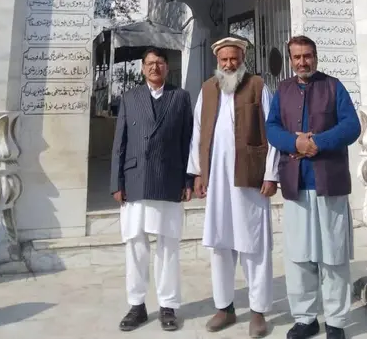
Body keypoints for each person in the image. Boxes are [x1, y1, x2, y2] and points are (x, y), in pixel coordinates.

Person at [266, 36, 361, 339]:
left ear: (316, 57)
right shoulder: (283, 90)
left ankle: (336, 321)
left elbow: (352, 126)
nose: (302, 62)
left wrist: (317, 143)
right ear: (290, 60)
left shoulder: (333, 87)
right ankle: (306, 319)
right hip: (296, 185)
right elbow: (271, 128)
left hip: (329, 184)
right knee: (299, 257)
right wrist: (294, 143)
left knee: (334, 256)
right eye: (297, 57)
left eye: (307, 56)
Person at [188, 37, 279, 338]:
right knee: (221, 243)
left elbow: (272, 130)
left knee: (254, 244)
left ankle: (258, 311)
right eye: (224, 60)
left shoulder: (257, 86)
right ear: (218, 61)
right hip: (216, 180)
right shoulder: (207, 89)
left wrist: (271, 174)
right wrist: (197, 173)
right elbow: (197, 132)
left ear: (242, 59)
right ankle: (224, 307)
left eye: (234, 59)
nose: (229, 64)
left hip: (250, 178)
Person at [111, 47, 194, 332]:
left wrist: (188, 181)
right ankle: (137, 305)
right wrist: (116, 183)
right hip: (135, 179)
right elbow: (119, 144)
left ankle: (168, 305)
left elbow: (187, 141)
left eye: (159, 63)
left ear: (167, 68)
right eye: (149, 63)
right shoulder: (130, 97)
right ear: (142, 68)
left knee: (168, 246)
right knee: (136, 245)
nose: (154, 67)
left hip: (169, 178)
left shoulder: (180, 97)